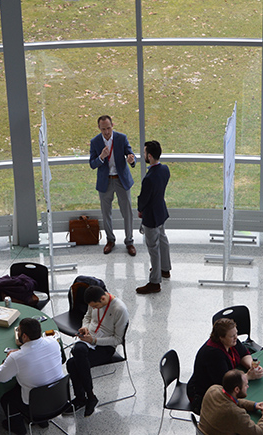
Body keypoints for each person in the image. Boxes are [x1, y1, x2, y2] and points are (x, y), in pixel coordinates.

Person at [66, 285, 129, 417]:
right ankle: (90, 396)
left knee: (72, 363)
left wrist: (94, 341)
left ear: (103, 298)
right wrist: (85, 328)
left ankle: (83, 398)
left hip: (105, 347)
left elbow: (117, 339)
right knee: (78, 351)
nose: (94, 309)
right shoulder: (93, 302)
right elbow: (87, 317)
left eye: (96, 307)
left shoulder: (119, 309)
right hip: (90, 339)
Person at [0, 317, 65, 434]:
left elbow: (0, 377)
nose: (17, 332)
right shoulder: (54, 342)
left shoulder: (16, 357)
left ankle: (18, 427)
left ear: (24, 336)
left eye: (18, 330)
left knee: (6, 398)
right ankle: (42, 421)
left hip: (34, 403)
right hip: (59, 396)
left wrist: (6, 361)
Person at [187, 318, 263, 415]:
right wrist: (248, 376)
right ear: (221, 337)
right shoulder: (213, 354)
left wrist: (251, 367)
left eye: (236, 334)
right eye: (232, 336)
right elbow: (227, 383)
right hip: (202, 397)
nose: (236, 337)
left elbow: (244, 354)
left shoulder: (231, 341)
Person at [89, 115, 137, 256]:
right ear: (99, 128)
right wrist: (101, 157)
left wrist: (131, 159)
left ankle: (129, 241)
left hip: (121, 180)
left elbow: (131, 155)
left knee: (127, 212)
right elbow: (92, 164)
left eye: (108, 128)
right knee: (106, 213)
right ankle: (110, 240)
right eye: (103, 129)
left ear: (112, 125)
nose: (106, 132)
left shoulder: (121, 138)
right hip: (105, 181)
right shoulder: (95, 142)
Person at [136, 140, 171, 295]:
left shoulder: (149, 178)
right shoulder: (165, 169)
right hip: (161, 212)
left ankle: (154, 281)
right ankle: (165, 269)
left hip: (151, 215)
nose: (143, 155)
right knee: (163, 240)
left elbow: (144, 198)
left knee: (153, 248)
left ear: (149, 156)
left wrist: (140, 209)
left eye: (144, 153)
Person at [199, 369, 263, 435]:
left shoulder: (213, 389)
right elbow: (260, 432)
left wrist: (254, 405)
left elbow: (230, 400)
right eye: (246, 385)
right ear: (237, 389)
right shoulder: (235, 413)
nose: (248, 387)